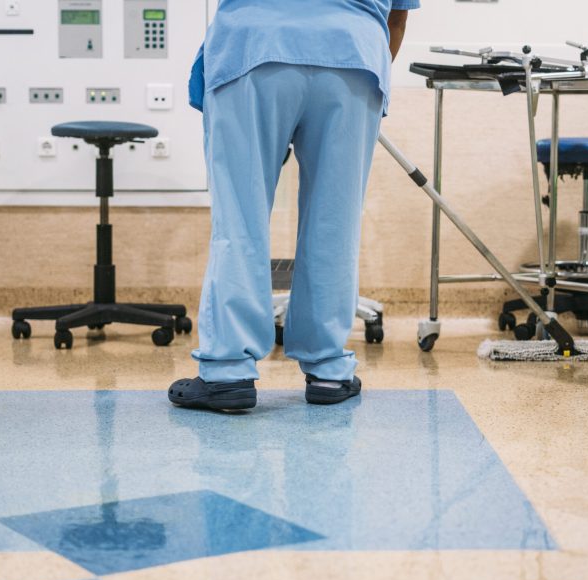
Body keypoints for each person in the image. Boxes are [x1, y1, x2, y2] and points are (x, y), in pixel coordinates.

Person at [169, 0, 420, 412]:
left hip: (254, 49)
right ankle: (328, 370)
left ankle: (228, 372)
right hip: (353, 57)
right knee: (334, 224)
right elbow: (398, 17)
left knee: (240, 219)